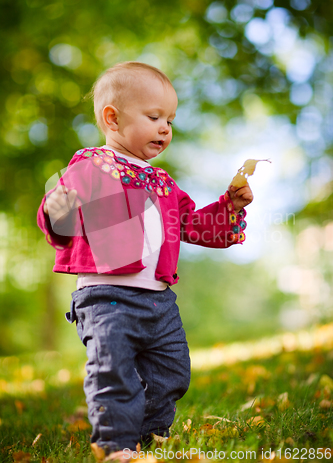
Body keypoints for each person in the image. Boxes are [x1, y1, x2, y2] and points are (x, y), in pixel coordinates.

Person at [37, 62, 253, 463]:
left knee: (172, 372)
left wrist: (228, 207)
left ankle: (148, 436)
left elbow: (196, 227)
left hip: (159, 300)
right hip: (106, 297)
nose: (165, 128)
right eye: (154, 117)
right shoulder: (90, 166)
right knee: (113, 371)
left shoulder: (163, 183)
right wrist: (58, 211)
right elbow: (63, 225)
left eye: (170, 120)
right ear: (112, 118)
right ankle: (117, 445)